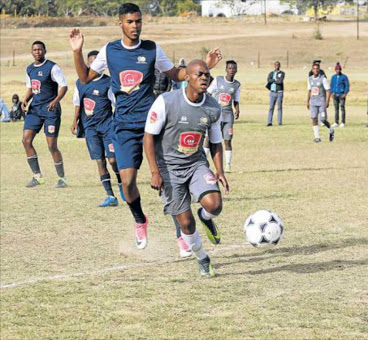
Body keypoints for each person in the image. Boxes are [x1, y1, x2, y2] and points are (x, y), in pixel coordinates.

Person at [69, 2, 222, 250]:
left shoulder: (152, 49)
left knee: (168, 180)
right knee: (128, 182)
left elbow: (174, 74)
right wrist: (77, 51)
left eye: (138, 21)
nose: (135, 26)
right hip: (124, 126)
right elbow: (85, 78)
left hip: (155, 124)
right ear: (120, 23)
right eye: (130, 21)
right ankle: (140, 220)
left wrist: (203, 68)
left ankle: (181, 235)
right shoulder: (110, 51)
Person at [143, 60, 229, 278]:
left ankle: (206, 217)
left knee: (215, 205)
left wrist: (220, 171)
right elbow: (149, 137)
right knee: (186, 223)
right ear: (187, 77)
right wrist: (155, 171)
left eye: (207, 75)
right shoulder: (166, 102)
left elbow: (216, 142)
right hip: (168, 169)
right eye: (199, 74)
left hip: (196, 164)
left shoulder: (212, 107)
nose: (204, 78)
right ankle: (202, 257)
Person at [71, 50, 124, 207]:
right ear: (87, 63)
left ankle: (120, 181)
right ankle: (110, 196)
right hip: (90, 128)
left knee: (113, 159)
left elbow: (116, 103)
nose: (95, 65)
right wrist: (75, 121)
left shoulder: (109, 82)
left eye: (97, 62)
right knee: (99, 160)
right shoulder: (80, 82)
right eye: (91, 62)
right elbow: (77, 102)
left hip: (108, 126)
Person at [22, 41, 68, 188]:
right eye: (35, 50)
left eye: (40, 49)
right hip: (35, 110)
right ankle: (37, 176)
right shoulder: (29, 69)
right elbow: (31, 88)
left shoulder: (52, 67)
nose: (37, 52)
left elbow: (64, 86)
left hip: (50, 111)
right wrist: (25, 100)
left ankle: (62, 178)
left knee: (51, 145)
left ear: (45, 51)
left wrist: (55, 101)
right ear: (31, 52)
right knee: (26, 140)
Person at [205, 60, 240, 173]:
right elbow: (209, 93)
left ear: (236, 70)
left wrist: (237, 110)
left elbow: (236, 99)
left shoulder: (237, 85)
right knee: (209, 139)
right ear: (226, 69)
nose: (231, 70)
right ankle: (204, 163)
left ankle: (228, 166)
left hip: (228, 116)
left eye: (233, 68)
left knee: (227, 141)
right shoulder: (218, 80)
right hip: (216, 115)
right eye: (229, 68)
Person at [307, 63, 334, 143]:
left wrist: (327, 101)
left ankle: (331, 129)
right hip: (313, 102)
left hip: (321, 101)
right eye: (314, 69)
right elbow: (309, 90)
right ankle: (317, 137)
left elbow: (328, 91)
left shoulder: (323, 79)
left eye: (317, 69)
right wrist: (307, 101)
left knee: (322, 119)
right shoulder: (310, 79)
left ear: (319, 70)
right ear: (312, 70)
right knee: (314, 118)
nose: (315, 70)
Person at [330, 62, 349, 128]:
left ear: (340, 70)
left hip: (341, 94)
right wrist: (331, 93)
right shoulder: (333, 77)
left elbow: (347, 86)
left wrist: (345, 93)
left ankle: (343, 122)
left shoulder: (344, 77)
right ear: (335, 70)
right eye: (337, 69)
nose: (338, 70)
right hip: (335, 94)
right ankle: (336, 122)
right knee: (336, 108)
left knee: (342, 108)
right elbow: (331, 85)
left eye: (339, 69)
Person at [266, 61, 285, 126]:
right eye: (276, 65)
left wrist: (274, 80)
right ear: (274, 66)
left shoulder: (282, 73)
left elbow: (280, 81)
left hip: (279, 92)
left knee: (279, 107)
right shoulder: (271, 73)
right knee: (271, 107)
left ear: (280, 66)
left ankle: (279, 122)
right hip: (272, 92)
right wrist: (275, 80)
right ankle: (269, 122)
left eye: (278, 65)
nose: (277, 66)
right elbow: (268, 80)